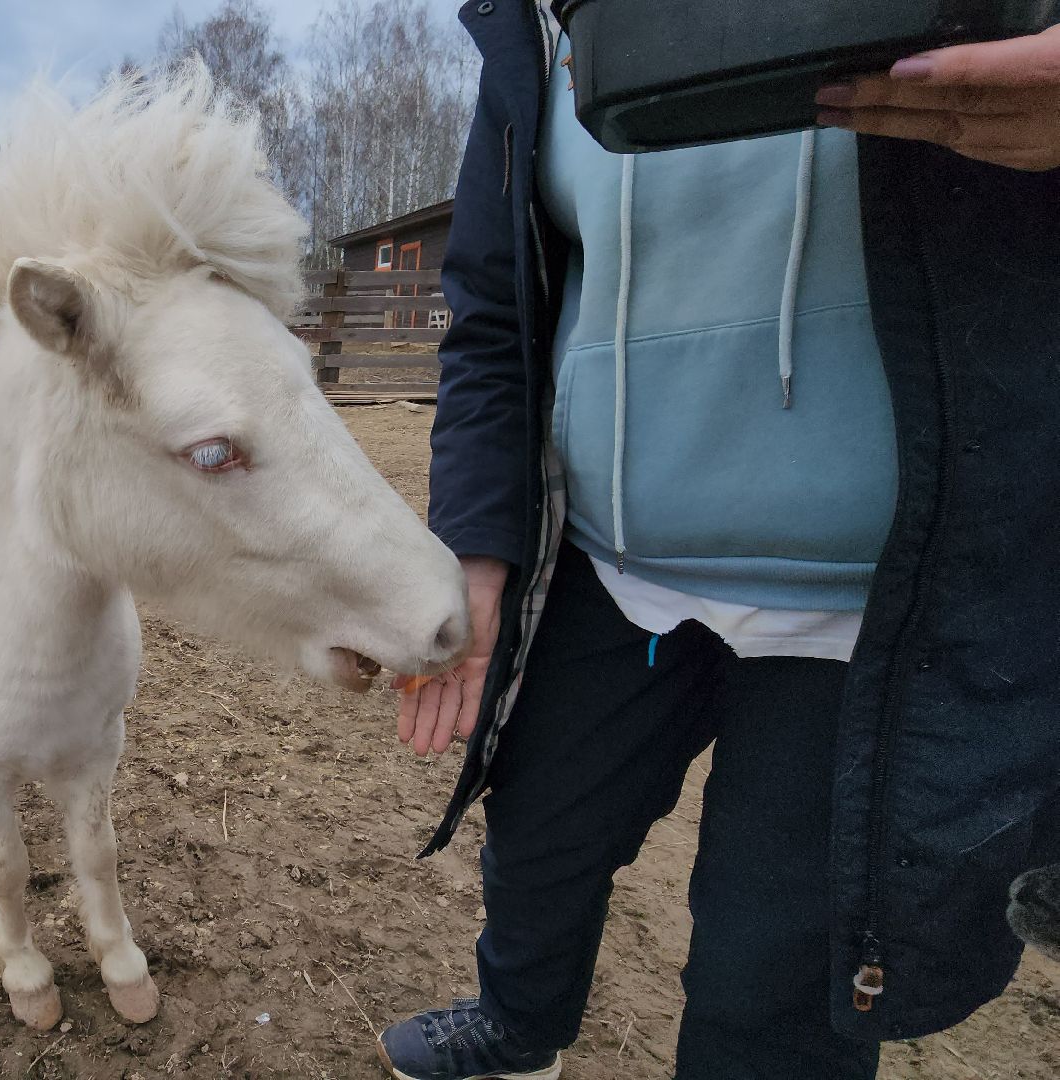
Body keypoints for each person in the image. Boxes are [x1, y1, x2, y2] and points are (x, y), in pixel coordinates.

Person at [376, 5, 1060, 1079]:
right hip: (612, 565)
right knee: (538, 841)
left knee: (773, 984)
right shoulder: (534, 25)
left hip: (867, 604)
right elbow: (497, 309)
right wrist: (477, 536)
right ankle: (518, 1025)